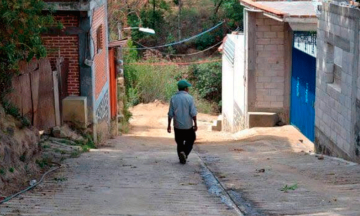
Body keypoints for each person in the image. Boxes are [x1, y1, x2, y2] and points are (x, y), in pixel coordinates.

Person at [167, 80, 197, 164]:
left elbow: (170, 114)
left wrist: (169, 125)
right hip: (188, 126)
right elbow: (193, 113)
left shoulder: (173, 98)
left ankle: (181, 155)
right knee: (191, 139)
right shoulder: (189, 98)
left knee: (179, 142)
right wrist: (195, 124)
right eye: (187, 88)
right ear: (185, 89)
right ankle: (185, 153)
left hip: (177, 126)